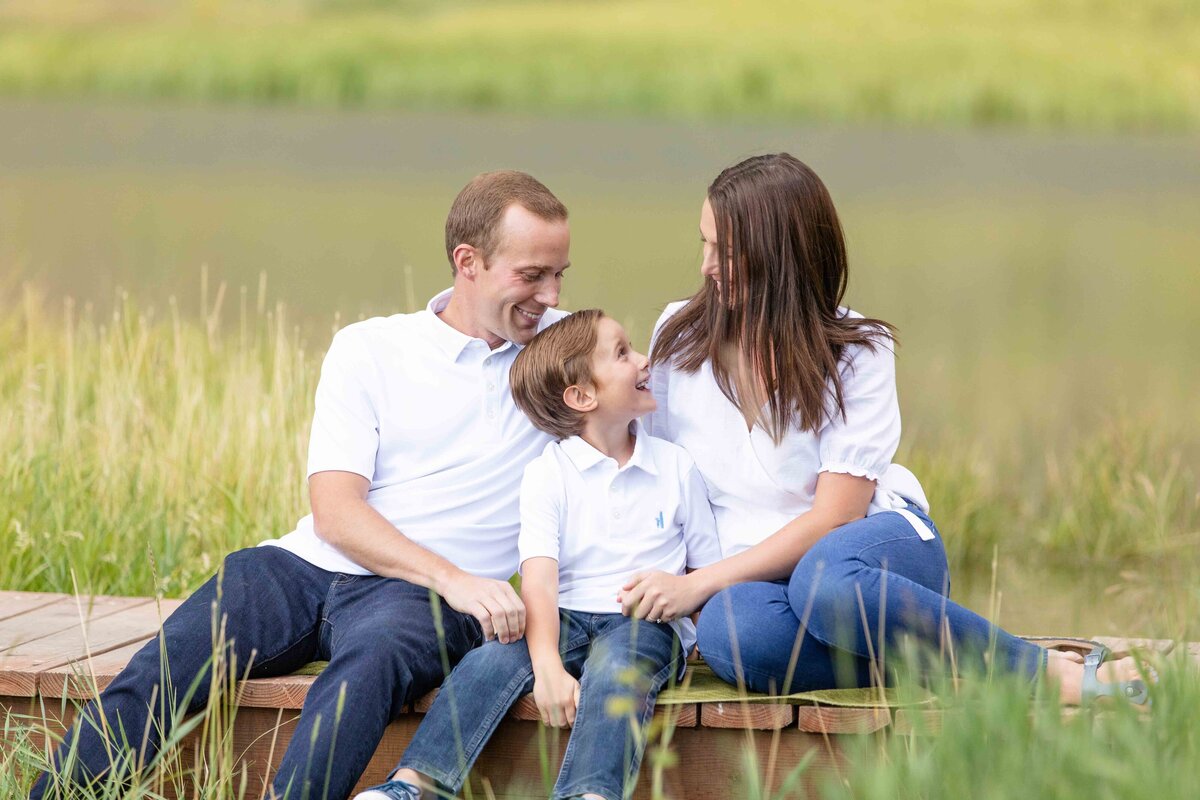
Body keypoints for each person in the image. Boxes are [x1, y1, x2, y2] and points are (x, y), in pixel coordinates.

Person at [31, 170, 572, 800]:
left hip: (421, 605)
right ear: (468, 261)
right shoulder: (370, 347)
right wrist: (453, 578)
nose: (550, 293)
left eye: (561, 273)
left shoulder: (563, 361)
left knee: (365, 670)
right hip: (302, 568)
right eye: (532, 274)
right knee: (169, 663)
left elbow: (648, 396)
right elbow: (336, 513)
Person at [618, 153, 1147, 706]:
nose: (706, 265)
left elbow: (835, 516)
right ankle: (933, 657)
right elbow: (663, 478)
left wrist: (700, 583)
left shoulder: (858, 350)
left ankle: (1046, 675)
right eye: (704, 243)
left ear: (779, 256)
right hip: (755, 582)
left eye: (725, 251)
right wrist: (695, 587)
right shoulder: (678, 337)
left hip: (868, 559)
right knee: (734, 635)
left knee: (824, 583)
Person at [355, 309, 722, 800]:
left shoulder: (675, 466)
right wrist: (547, 665)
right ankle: (414, 784)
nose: (643, 360)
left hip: (644, 624)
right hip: (561, 616)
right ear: (582, 396)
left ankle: (588, 793)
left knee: (617, 670)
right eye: (621, 353)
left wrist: (692, 623)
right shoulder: (549, 473)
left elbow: (704, 568)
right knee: (488, 662)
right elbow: (540, 581)